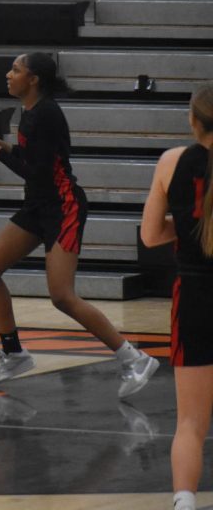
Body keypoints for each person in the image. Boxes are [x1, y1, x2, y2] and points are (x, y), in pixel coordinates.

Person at [0, 52, 157, 394]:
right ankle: (13, 353)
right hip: (39, 205)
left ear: (34, 79)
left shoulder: (47, 114)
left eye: (16, 70)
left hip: (63, 207)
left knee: (62, 296)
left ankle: (133, 358)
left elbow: (35, 171)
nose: (9, 75)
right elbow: (32, 158)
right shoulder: (31, 110)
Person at [139, 81, 213, 510]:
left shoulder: (171, 161)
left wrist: (187, 231)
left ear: (193, 120)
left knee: (189, 422)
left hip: (195, 294)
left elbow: (150, 235)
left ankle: (183, 502)